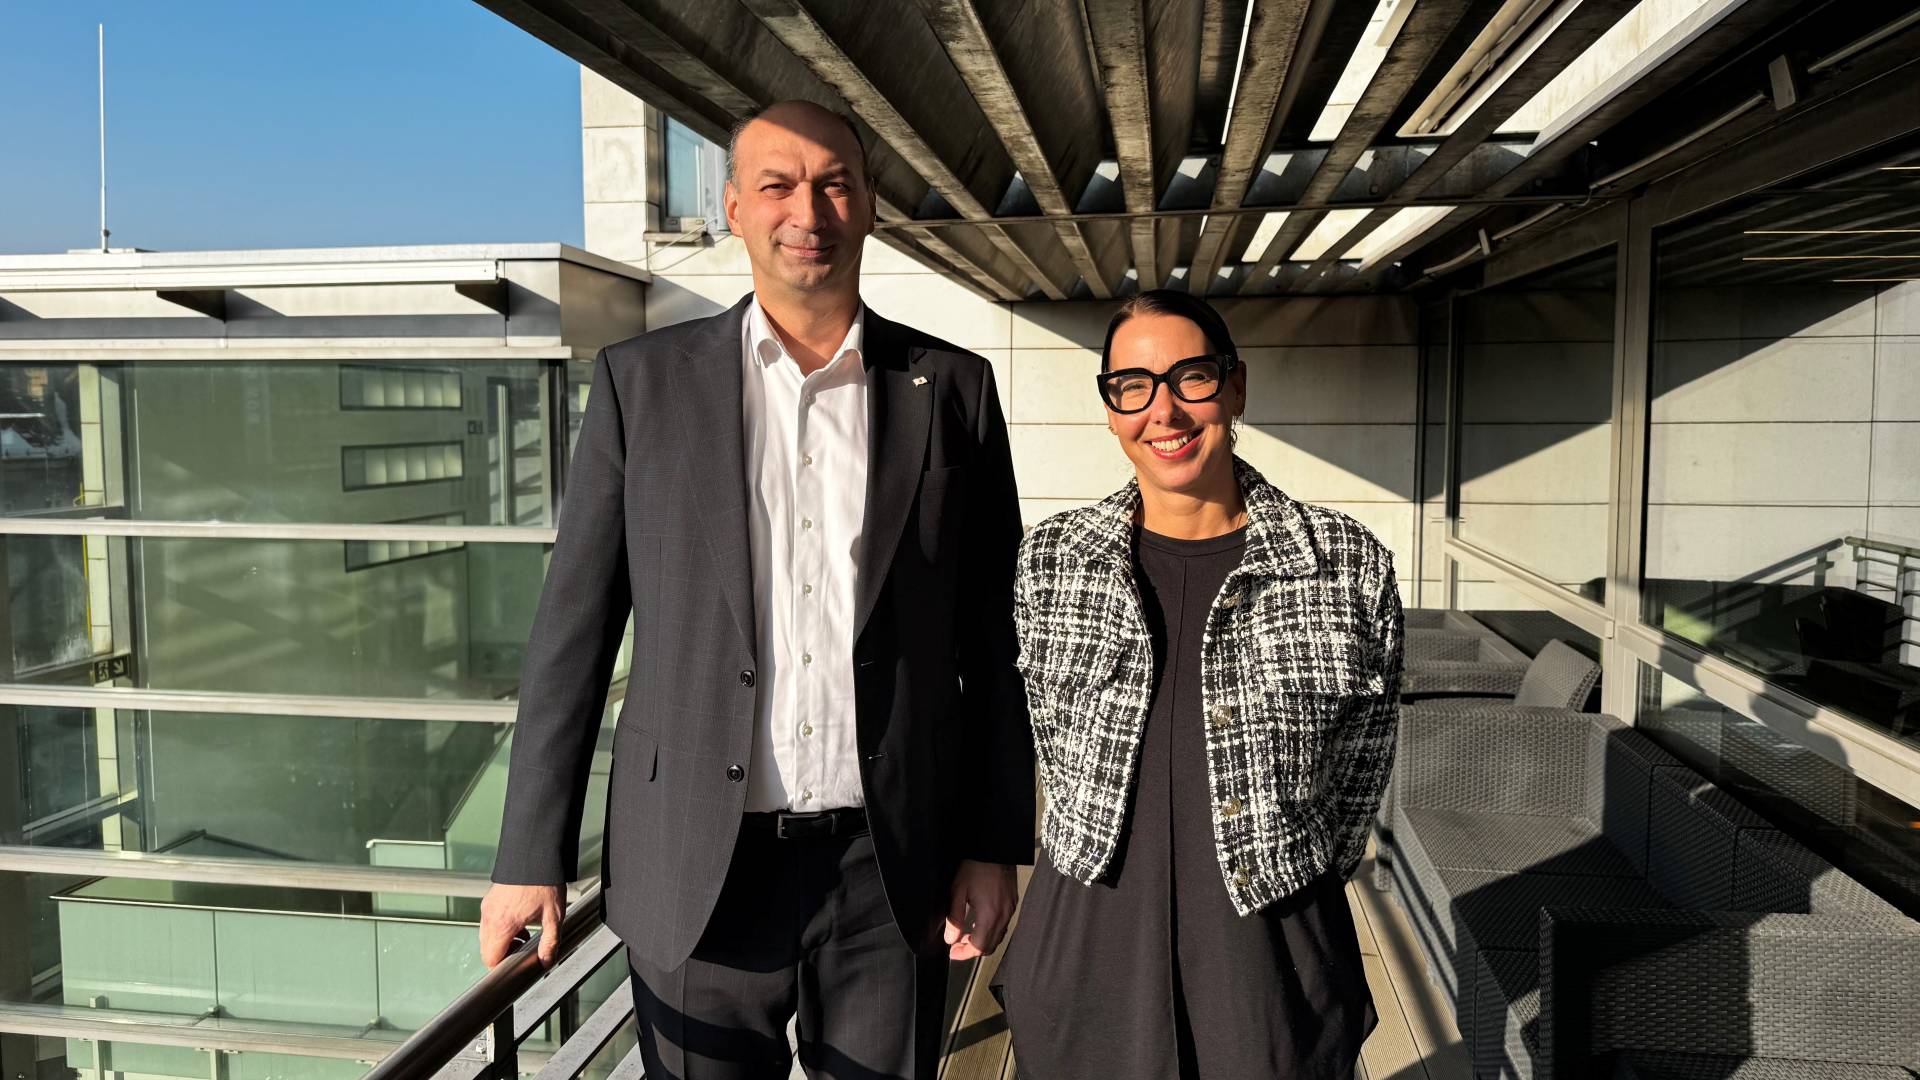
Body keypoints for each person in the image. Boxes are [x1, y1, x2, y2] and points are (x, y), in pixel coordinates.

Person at [479, 99, 1033, 1080]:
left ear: (870, 204)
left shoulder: (952, 387)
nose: (806, 211)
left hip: (891, 868)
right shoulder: (642, 385)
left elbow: (995, 641)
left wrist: (993, 842)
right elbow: (575, 632)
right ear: (734, 207)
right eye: (777, 185)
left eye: (834, 184)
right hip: (694, 863)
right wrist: (530, 854)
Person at [994, 289, 1403, 1079]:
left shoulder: (1344, 564)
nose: (1165, 411)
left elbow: (1358, 779)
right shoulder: (1054, 561)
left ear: (1235, 387)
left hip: (1270, 967)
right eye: (1133, 386)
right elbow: (1045, 740)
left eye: (1192, 377)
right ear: (1110, 409)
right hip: (1087, 956)